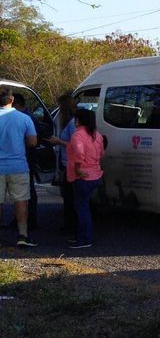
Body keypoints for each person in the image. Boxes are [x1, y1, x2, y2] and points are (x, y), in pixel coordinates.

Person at [0, 87, 38, 247]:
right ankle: (23, 235)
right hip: (18, 166)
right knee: (21, 201)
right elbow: (32, 142)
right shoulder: (24, 118)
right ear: (12, 99)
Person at [66, 108, 105, 249]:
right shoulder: (97, 135)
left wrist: (77, 169)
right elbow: (101, 154)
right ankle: (81, 236)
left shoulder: (78, 135)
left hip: (82, 176)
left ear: (79, 120)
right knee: (84, 207)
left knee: (81, 208)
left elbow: (79, 154)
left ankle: (84, 239)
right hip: (95, 174)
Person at [48, 94, 78, 238]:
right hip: (66, 162)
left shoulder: (72, 124)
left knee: (70, 196)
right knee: (68, 196)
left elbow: (76, 145)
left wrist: (58, 141)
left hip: (71, 164)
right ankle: (70, 224)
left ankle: (72, 226)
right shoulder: (66, 121)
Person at [11, 93, 39, 230]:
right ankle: (22, 223)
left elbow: (32, 141)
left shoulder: (27, 118)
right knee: (23, 193)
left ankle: (29, 220)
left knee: (26, 193)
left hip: (25, 158)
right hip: (24, 159)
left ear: (15, 104)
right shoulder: (27, 118)